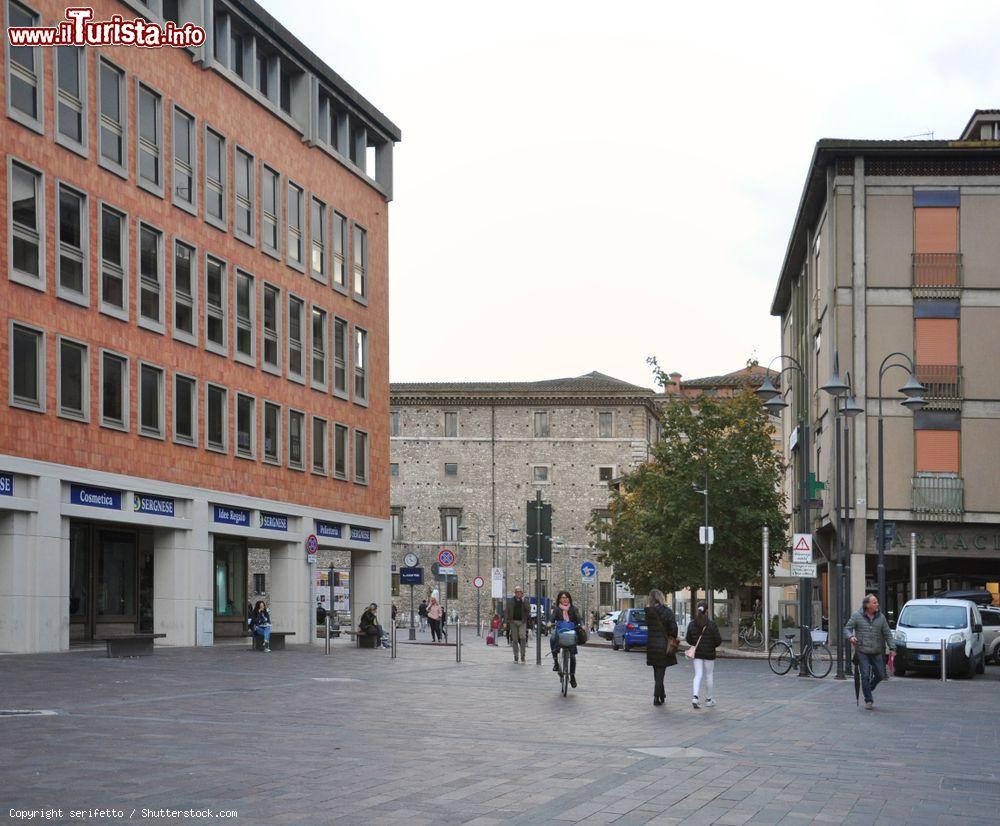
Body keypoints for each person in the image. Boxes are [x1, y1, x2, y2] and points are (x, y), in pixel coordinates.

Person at [845, 593, 895, 710]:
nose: (877, 604)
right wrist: (851, 637)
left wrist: (892, 648)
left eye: (877, 602)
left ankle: (868, 688)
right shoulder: (857, 616)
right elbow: (847, 629)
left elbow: (887, 634)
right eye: (874, 602)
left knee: (881, 675)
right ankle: (868, 699)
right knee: (865, 674)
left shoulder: (881, 617)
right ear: (867, 605)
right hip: (862, 650)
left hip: (876, 651)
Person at [686, 602, 723, 709]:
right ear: (707, 611)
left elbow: (689, 639)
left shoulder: (692, 624)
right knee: (709, 675)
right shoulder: (711, 624)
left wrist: (694, 644)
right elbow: (718, 640)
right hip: (709, 653)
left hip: (697, 653)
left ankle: (695, 697)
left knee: (698, 675)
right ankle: (709, 699)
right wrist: (712, 645)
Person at [645, 589, 679, 707]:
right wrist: (671, 636)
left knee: (657, 671)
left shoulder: (648, 612)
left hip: (652, 644)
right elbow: (674, 629)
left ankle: (662, 694)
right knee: (661, 672)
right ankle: (656, 697)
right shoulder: (667, 612)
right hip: (663, 645)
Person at [548, 590, 582, 688]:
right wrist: (550, 623)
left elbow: (579, 618)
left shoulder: (574, 609)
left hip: (571, 632)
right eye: (563, 598)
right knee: (553, 638)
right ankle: (555, 662)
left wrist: (582, 625)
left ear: (569, 599)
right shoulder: (557, 609)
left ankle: (572, 676)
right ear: (559, 599)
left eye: (566, 597)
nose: (565, 599)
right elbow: (552, 618)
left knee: (572, 657)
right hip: (560, 631)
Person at [506, 586, 531, 663]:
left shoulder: (525, 600)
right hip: (513, 622)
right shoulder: (511, 601)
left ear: (522, 593)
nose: (518, 593)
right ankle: (516, 657)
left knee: (523, 637)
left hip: (522, 622)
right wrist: (506, 622)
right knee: (515, 640)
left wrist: (524, 601)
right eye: (517, 592)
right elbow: (507, 611)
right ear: (515, 592)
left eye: (520, 592)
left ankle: (523, 656)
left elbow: (528, 609)